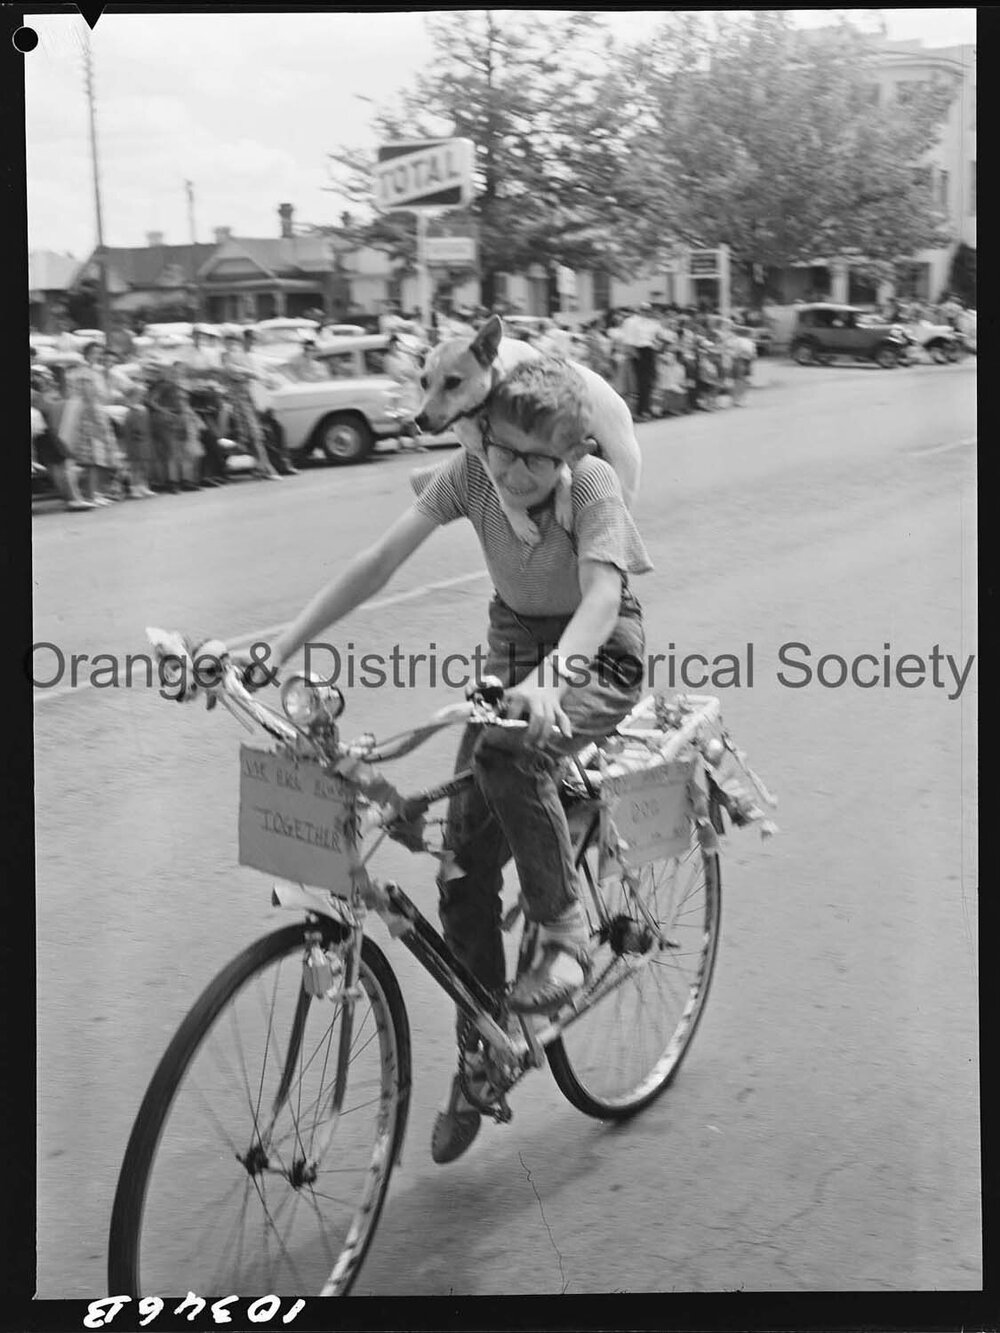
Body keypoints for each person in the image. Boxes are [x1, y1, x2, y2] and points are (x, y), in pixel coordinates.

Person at [248, 357, 651, 1164]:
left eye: (536, 458)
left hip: (596, 660)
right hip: (511, 661)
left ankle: (565, 931)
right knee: (461, 871)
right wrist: (277, 643)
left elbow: (602, 597)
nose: (512, 470)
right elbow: (377, 564)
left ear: (572, 450)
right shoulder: (474, 474)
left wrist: (551, 682)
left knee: (506, 762)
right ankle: (483, 1056)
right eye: (501, 448)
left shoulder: (595, 485)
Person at [618, 303, 660, 421]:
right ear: (639, 310)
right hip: (638, 351)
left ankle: (646, 408)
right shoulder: (631, 321)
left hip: (649, 351)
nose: (646, 311)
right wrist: (634, 354)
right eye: (644, 309)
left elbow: (654, 338)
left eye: (648, 310)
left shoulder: (650, 322)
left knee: (648, 382)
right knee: (638, 383)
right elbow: (628, 340)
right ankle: (640, 411)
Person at [120, 384, 156, 497]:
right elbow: (126, 428)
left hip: (145, 440)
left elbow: (147, 425)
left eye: (141, 394)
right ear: (132, 395)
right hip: (134, 441)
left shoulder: (143, 409)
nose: (140, 397)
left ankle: (143, 486)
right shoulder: (129, 410)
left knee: (144, 464)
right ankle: (134, 487)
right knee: (135, 465)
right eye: (138, 394)